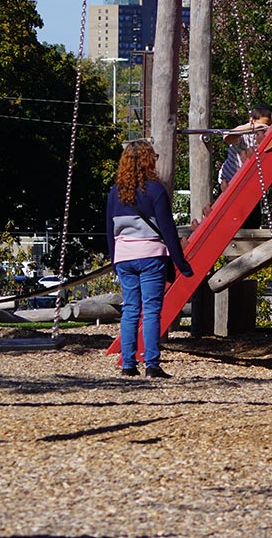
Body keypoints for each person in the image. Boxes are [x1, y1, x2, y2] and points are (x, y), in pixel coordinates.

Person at [106, 139, 194, 378]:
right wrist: (181, 263)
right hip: (150, 256)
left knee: (130, 309)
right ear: (149, 161)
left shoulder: (115, 193)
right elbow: (167, 229)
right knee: (152, 310)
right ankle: (152, 364)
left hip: (124, 257)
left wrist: (116, 261)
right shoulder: (155, 190)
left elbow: (110, 231)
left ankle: (128, 364)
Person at [217, 104, 272, 190]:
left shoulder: (265, 137)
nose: (263, 128)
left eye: (267, 125)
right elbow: (227, 137)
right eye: (262, 125)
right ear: (251, 121)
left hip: (246, 180)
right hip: (228, 178)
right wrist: (255, 126)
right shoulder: (244, 135)